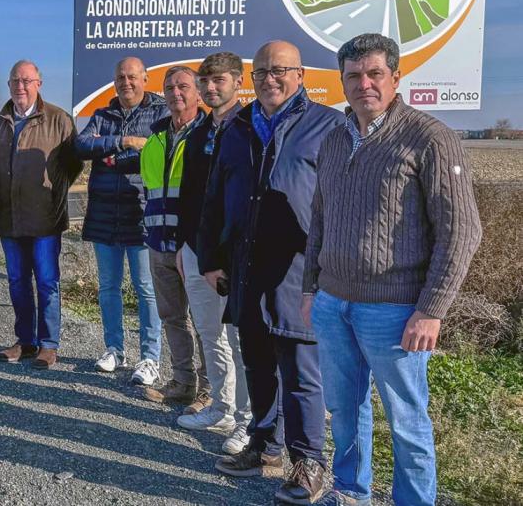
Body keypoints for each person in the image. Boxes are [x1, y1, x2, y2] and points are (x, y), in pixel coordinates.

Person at [306, 33, 482, 506]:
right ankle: (350, 490)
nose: (364, 83)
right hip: (333, 303)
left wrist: (432, 309)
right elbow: (319, 220)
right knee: (344, 410)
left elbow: (462, 231)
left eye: (374, 73)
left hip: (395, 310)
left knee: (406, 420)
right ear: (342, 81)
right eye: (353, 75)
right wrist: (311, 288)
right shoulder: (334, 139)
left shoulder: (429, 138)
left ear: (396, 77)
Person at [198, 41, 343, 504]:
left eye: (280, 70)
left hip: (300, 271)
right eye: (261, 72)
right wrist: (210, 258)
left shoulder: (327, 125)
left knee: (301, 373)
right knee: (258, 364)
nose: (270, 79)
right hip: (245, 267)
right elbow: (215, 197)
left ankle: (309, 462)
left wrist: (330, 269)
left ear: (299, 74)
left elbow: (343, 206)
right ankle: (265, 446)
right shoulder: (238, 127)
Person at [175, 53, 252, 456]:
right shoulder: (198, 131)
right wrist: (184, 248)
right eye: (204, 81)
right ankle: (221, 407)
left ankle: (246, 420)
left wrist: (222, 255)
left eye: (218, 80)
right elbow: (190, 196)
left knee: (241, 340)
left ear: (237, 81)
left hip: (234, 256)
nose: (210, 88)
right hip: (195, 251)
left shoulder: (251, 127)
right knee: (210, 334)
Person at [76, 56, 167, 386]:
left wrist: (112, 158)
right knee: (109, 288)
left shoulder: (160, 113)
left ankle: (150, 357)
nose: (125, 83)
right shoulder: (102, 114)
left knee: (146, 289)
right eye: (120, 77)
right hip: (103, 213)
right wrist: (124, 142)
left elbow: (157, 151)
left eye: (132, 77)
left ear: (144, 78)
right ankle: (114, 349)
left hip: (140, 212)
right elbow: (81, 145)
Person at [0, 60, 83, 370]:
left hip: (45, 218)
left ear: (39, 84)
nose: (21, 86)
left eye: (27, 81)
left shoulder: (58, 119)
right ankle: (25, 341)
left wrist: (52, 191)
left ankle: (48, 344)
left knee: (46, 282)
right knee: (17, 282)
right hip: (10, 218)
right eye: (15, 80)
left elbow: (73, 164)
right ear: (9, 85)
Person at [138, 66, 209, 408]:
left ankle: (211, 389)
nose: (176, 93)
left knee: (205, 322)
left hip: (194, 247)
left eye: (183, 86)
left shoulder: (210, 136)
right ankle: (183, 382)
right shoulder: (155, 140)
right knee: (172, 318)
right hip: (158, 244)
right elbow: (150, 191)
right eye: (169, 87)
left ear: (198, 93)